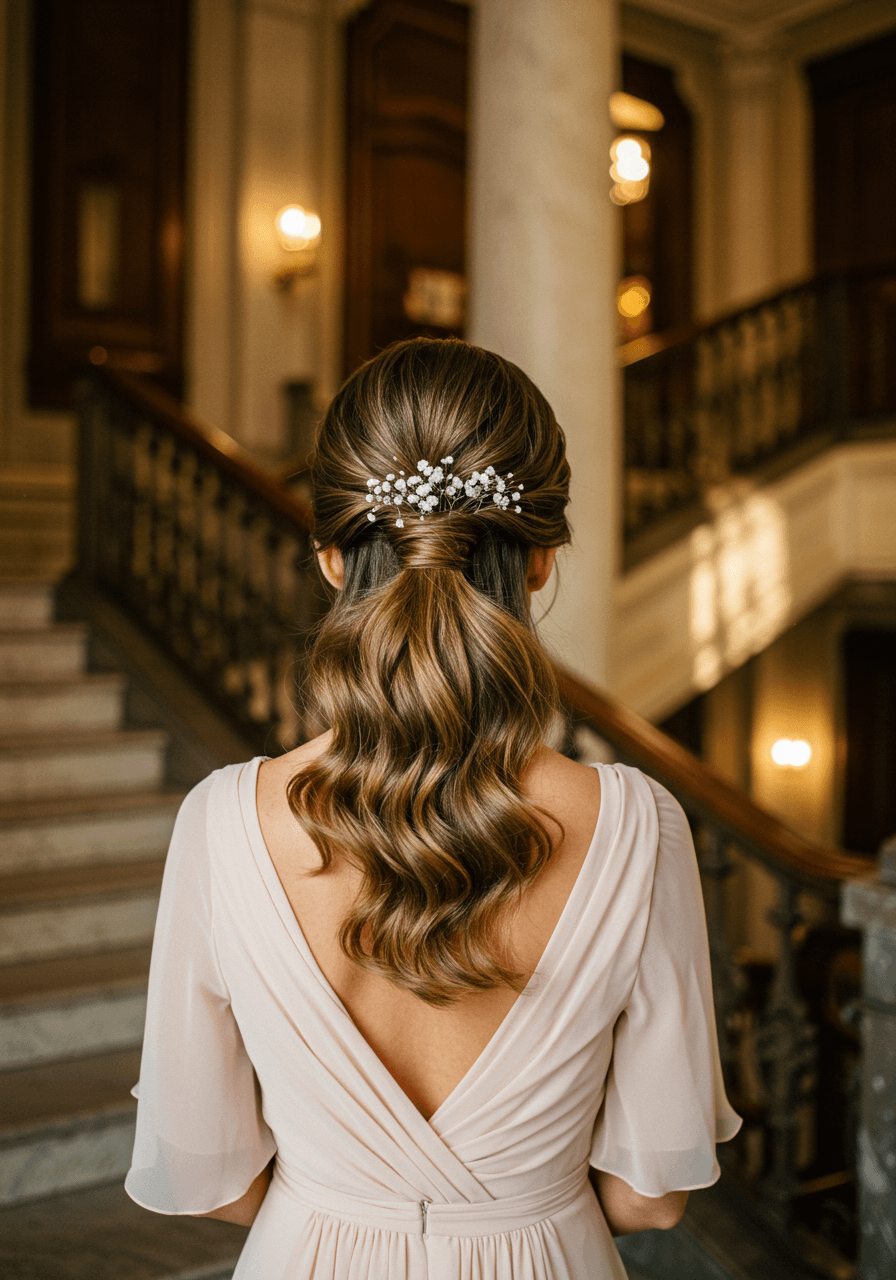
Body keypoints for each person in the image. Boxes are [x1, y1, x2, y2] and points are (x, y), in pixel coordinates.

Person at [125, 337, 741, 1278]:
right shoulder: (639, 825)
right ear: (539, 562)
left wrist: (346, 1207)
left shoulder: (220, 823)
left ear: (332, 557)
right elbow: (651, 1196)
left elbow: (206, 1176)